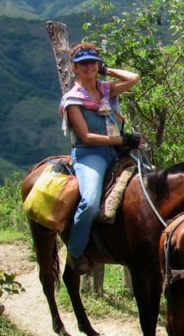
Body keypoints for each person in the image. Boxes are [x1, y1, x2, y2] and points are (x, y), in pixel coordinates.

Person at [59, 42, 141, 275]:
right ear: (74, 68)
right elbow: (86, 136)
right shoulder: (73, 99)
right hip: (90, 155)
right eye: (83, 63)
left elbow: (134, 77)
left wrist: (107, 69)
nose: (89, 67)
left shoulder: (106, 89)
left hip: (116, 152)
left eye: (92, 62)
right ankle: (75, 254)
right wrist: (121, 140)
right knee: (90, 202)